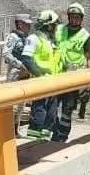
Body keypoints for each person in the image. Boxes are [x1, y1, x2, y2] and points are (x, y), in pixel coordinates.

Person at [52, 2, 90, 142]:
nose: (74, 19)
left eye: (77, 17)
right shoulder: (59, 30)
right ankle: (53, 133)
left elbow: (89, 57)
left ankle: (62, 136)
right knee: (53, 106)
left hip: (74, 78)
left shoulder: (85, 35)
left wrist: (89, 81)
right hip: (57, 75)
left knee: (67, 110)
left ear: (81, 19)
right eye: (72, 16)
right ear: (68, 17)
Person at [22, 9, 64, 140]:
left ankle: (45, 143)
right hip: (41, 83)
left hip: (53, 83)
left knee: (51, 116)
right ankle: (32, 143)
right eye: (55, 25)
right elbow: (27, 59)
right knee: (39, 114)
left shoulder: (51, 41)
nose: (56, 28)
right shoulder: (34, 39)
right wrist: (40, 74)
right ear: (48, 25)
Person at [3, 14, 34, 133]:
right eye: (26, 24)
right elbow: (6, 54)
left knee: (21, 102)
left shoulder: (27, 37)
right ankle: (9, 130)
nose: (29, 26)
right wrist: (18, 63)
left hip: (25, 73)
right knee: (13, 102)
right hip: (15, 73)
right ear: (19, 24)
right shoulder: (13, 37)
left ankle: (16, 129)